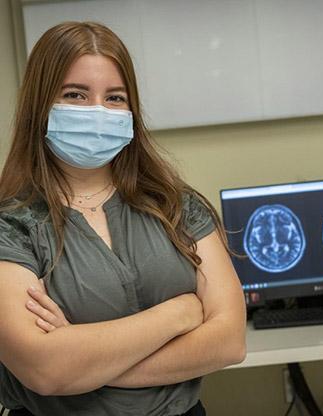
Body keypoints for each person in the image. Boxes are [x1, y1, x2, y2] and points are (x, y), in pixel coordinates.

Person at [0, 21, 246, 416]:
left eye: (115, 98)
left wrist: (82, 358)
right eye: (75, 94)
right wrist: (179, 313)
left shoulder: (175, 206)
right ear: (40, 104)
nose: (98, 111)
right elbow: (45, 370)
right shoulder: (12, 225)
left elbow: (229, 341)